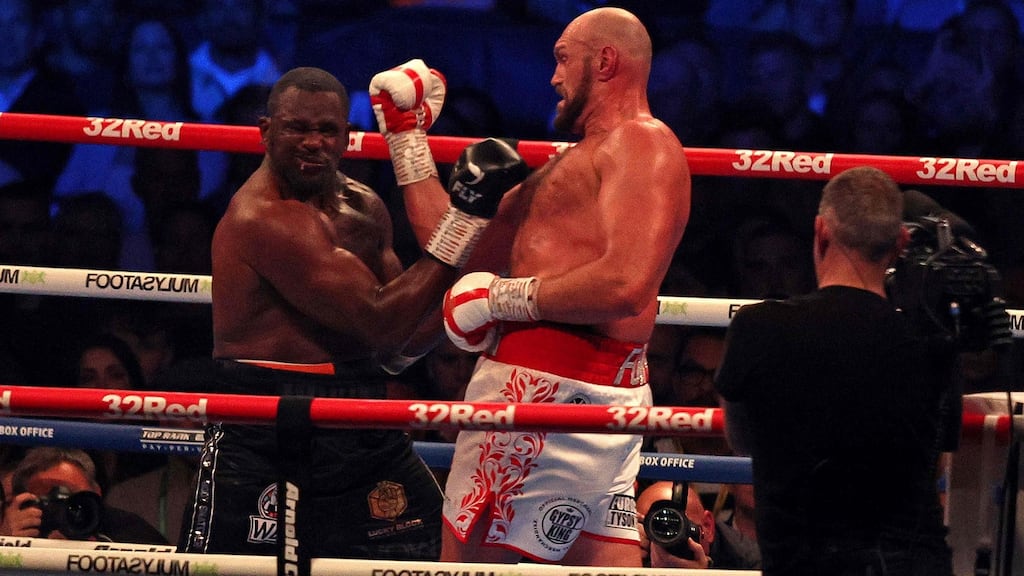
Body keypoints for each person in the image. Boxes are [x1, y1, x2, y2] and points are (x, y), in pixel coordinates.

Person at [178, 65, 525, 561]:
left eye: (327, 130)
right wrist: (464, 218)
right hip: (267, 422)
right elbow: (378, 319)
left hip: (360, 414)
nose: (313, 142)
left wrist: (475, 300)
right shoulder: (263, 217)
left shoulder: (362, 206)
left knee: (436, 557)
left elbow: (400, 335)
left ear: (348, 135)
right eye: (298, 128)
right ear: (265, 131)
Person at [393, 7, 691, 566]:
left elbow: (627, 284)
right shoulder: (571, 162)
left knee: (478, 565)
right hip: (580, 401)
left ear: (605, 61)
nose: (553, 77)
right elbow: (454, 246)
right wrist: (406, 139)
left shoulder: (641, 143)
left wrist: (503, 297)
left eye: (562, 58)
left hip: (547, 400)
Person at [714, 166, 954, 576]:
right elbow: (940, 464)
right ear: (900, 243)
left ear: (821, 231)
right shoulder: (932, 342)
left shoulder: (758, 328)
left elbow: (741, 438)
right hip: (914, 564)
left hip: (804, 562)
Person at [0, 447, 167, 544]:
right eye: (51, 501)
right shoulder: (11, 536)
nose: (63, 510)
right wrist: (7, 544)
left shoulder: (128, 533)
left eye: (74, 499)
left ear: (96, 493)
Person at [636, 480, 761, 570]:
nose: (666, 539)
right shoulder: (636, 554)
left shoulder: (751, 563)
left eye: (676, 525)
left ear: (707, 527)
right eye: (656, 528)